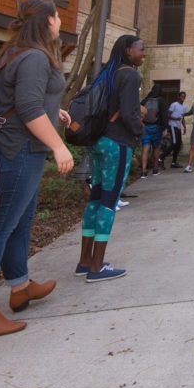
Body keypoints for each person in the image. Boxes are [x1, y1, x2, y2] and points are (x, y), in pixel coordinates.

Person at [0, 0, 74, 340]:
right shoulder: (36, 57)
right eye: (56, 16)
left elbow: (22, 101)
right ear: (46, 22)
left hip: (18, 147)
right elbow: (26, 107)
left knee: (19, 223)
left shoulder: (13, 53)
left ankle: (21, 285)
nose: (59, 21)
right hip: (19, 151)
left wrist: (54, 114)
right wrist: (58, 145)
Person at [75, 35, 144, 283]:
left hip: (98, 141)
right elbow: (129, 113)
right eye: (140, 49)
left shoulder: (107, 72)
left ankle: (84, 261)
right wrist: (140, 130)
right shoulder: (131, 75)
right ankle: (97, 267)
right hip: (118, 144)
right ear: (128, 51)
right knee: (109, 201)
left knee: (95, 198)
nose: (143, 53)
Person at [139, 84, 164, 177]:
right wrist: (165, 128)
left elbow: (138, 111)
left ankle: (143, 171)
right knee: (156, 148)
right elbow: (163, 115)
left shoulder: (145, 100)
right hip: (156, 127)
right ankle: (155, 169)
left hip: (145, 127)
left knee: (145, 149)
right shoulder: (161, 101)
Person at [167, 90, 188, 167]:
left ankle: (173, 163)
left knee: (178, 145)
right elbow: (168, 115)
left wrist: (185, 127)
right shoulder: (174, 104)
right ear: (179, 97)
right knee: (174, 143)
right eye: (182, 96)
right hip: (172, 126)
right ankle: (161, 157)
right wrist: (175, 119)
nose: (183, 97)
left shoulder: (184, 107)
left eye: (184, 96)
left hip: (178, 127)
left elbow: (182, 118)